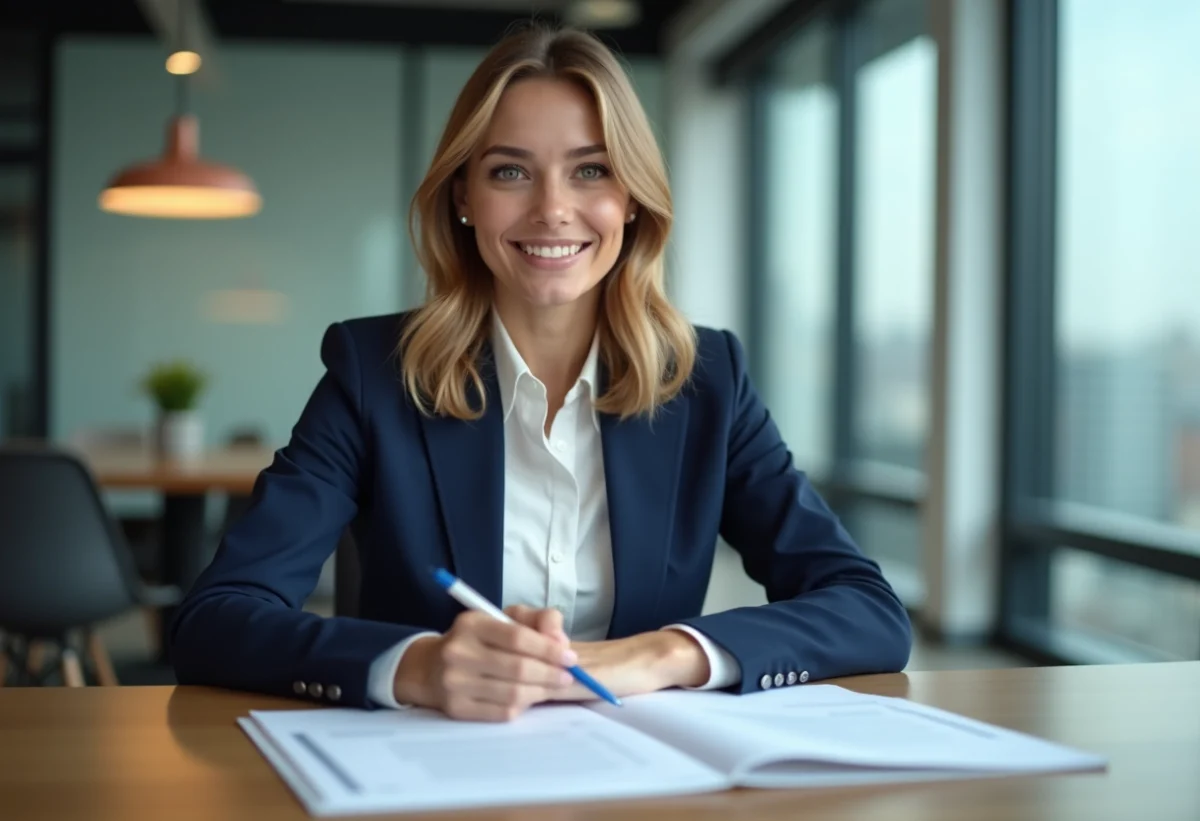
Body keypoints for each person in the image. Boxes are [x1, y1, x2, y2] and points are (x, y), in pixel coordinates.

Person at [171, 24, 911, 721]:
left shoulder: (707, 377)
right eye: (509, 171)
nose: (553, 209)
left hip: (643, 778)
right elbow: (218, 616)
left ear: (631, 198)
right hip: (430, 778)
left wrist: (663, 653)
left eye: (591, 170)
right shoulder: (374, 373)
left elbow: (866, 607)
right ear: (463, 196)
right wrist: (417, 665)